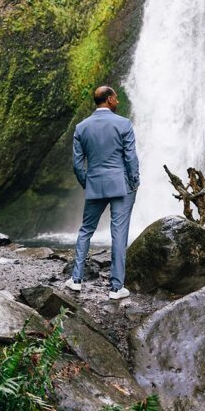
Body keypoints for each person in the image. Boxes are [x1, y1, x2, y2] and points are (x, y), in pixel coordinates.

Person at [65, 86, 140, 301]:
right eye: (115, 97)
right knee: (119, 233)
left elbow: (78, 165)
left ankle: (76, 280)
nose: (118, 101)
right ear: (109, 99)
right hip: (121, 186)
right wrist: (134, 182)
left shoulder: (81, 127)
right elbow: (131, 158)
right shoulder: (124, 124)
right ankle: (116, 288)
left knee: (86, 230)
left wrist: (87, 183)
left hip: (95, 184)